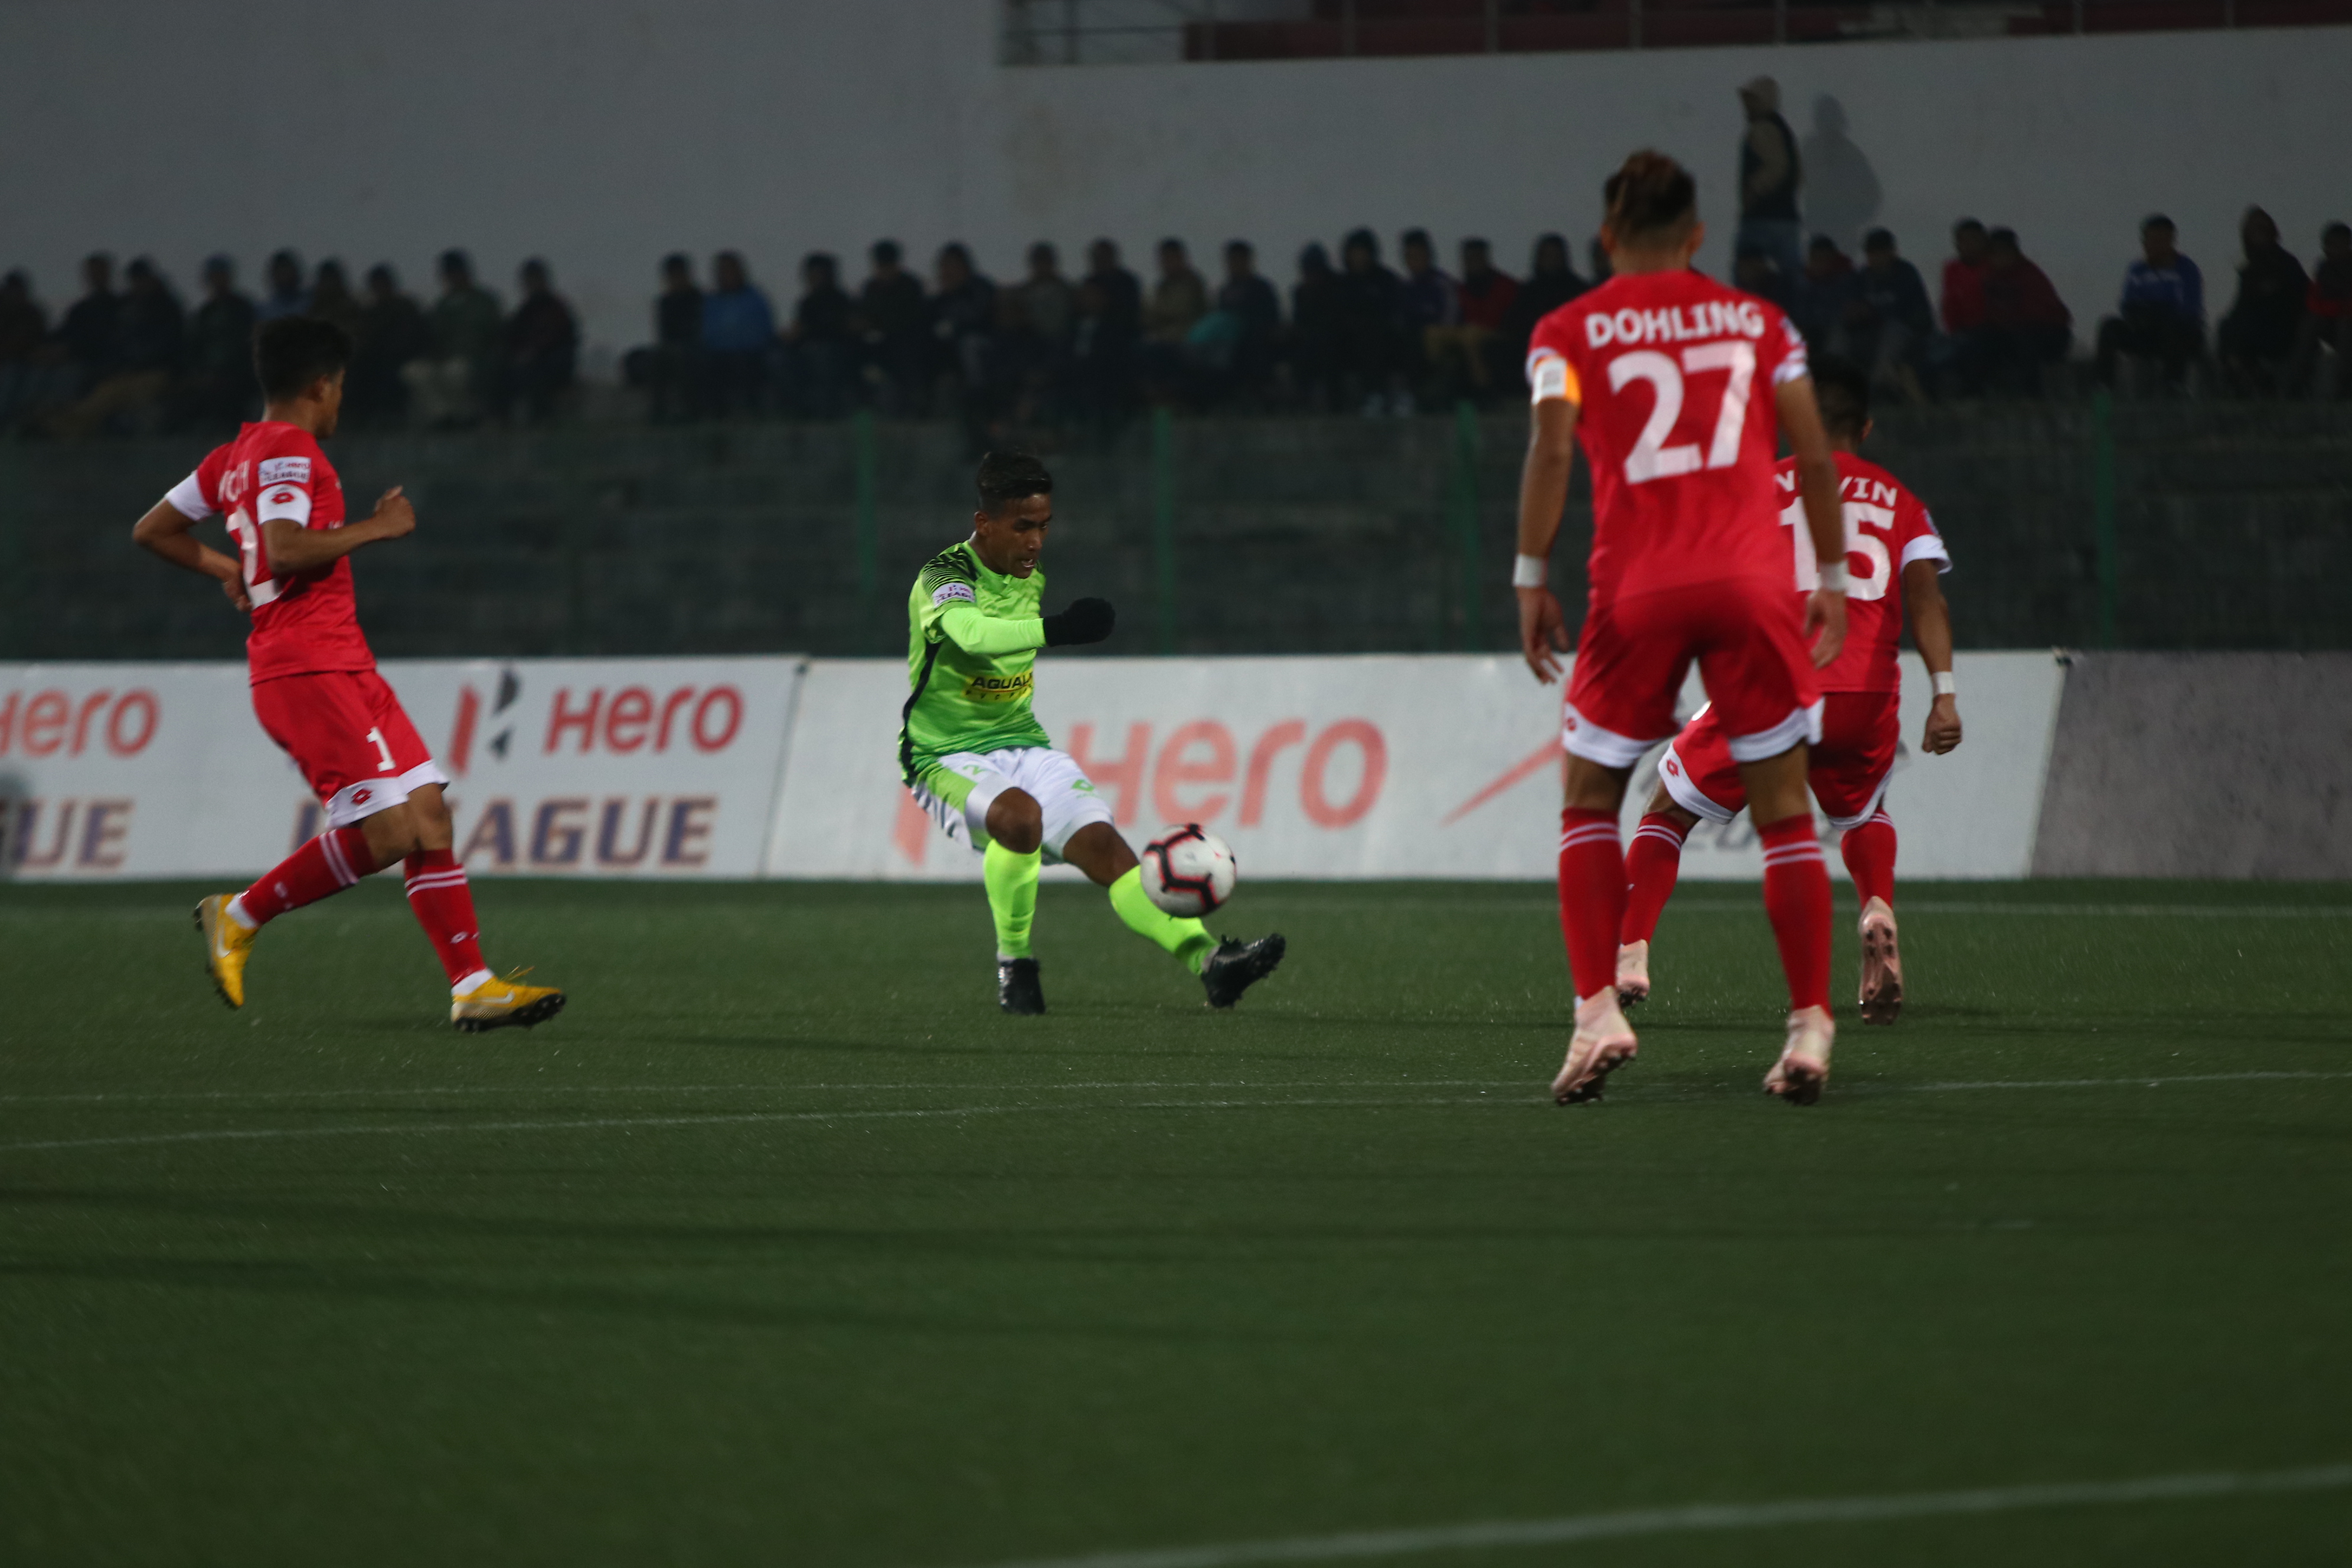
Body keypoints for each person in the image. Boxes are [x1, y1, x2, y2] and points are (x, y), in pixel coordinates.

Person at [1515, 150, 1850, 1107]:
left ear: (1605, 234)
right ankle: (1808, 1027)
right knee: (1783, 808)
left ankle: (1595, 1013)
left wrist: (1527, 576)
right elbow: (1812, 455)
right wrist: (1825, 575)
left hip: (1637, 585)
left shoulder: (1565, 331)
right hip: (1750, 581)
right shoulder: (1759, 323)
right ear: (1699, 234)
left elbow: (1547, 450)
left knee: (1589, 798)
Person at [128, 316, 563, 1031]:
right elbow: (289, 547)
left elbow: (153, 529)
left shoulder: (231, 457)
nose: (340, 404)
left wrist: (226, 569)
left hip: (340, 660)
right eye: (340, 390)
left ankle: (473, 984)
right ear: (321, 385)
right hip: (306, 665)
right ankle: (237, 915)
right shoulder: (290, 452)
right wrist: (377, 528)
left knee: (427, 816)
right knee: (387, 831)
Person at [1616, 355, 1960, 1024]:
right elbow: (1928, 601)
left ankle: (1632, 949)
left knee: (1666, 809)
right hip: (1863, 691)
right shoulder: (1902, 501)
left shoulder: (1757, 487)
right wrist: (1943, 693)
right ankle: (1877, 906)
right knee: (1864, 812)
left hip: (1774, 686)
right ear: (1864, 426)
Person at [900, 450, 1286, 1015]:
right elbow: (973, 635)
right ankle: (1016, 965)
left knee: (1108, 852)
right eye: (1023, 527)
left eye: (1044, 526)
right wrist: (1060, 629)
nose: (1036, 541)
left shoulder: (1028, 576)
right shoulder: (945, 575)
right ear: (985, 524)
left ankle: (1211, 964)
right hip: (944, 755)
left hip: (1023, 743)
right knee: (1021, 819)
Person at [48, 255, 183, 438]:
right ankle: (66, 424)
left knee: (110, 394)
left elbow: (168, 345)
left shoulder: (166, 307)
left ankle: (65, 424)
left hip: (158, 373)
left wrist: (137, 361)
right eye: (135, 279)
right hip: (127, 373)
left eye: (142, 279)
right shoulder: (127, 307)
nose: (138, 284)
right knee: (105, 390)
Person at [2096, 214, 2204, 393]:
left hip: (2177, 333)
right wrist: (2139, 316)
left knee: (2177, 330)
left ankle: (2172, 386)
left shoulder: (2186, 270)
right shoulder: (2137, 270)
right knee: (2110, 327)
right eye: (2152, 240)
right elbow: (2128, 303)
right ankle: (2103, 386)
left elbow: (2189, 309)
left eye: (2162, 240)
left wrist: (2159, 313)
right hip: (2144, 331)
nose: (2157, 245)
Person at [404, 250, 502, 428]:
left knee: (454, 372)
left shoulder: (484, 301)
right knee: (414, 372)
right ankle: (442, 417)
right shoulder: (442, 305)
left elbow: (492, 333)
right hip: (442, 359)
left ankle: (464, 416)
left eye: (456, 272)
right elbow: (431, 335)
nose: (452, 278)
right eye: (449, 274)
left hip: (472, 359)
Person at [2216, 207, 2309, 395]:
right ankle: (2247, 379)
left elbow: (2300, 300)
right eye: (2253, 231)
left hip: (2283, 328)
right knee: (2227, 330)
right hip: (2252, 329)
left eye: (2262, 230)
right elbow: (2241, 305)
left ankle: (2253, 379)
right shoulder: (2249, 269)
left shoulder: (2287, 263)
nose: (2258, 236)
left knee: (2241, 333)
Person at [1838, 228, 1933, 402]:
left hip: (1906, 334)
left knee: (1894, 330)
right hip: (1870, 334)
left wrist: (1877, 312)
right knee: (1839, 335)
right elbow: (1849, 309)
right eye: (1872, 253)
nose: (1876, 257)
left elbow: (1915, 313)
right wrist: (1855, 314)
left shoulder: (1905, 274)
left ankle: (1878, 383)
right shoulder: (1862, 278)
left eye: (1881, 252)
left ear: (1891, 252)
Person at [1974, 228, 2070, 396]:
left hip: (2048, 334)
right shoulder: (1990, 276)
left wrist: (2007, 322)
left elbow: (2039, 316)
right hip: (2012, 332)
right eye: (1993, 253)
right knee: (1982, 339)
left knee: (2026, 341)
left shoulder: (2029, 275)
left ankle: (2032, 395)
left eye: (2002, 253)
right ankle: (1981, 392)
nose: (1997, 258)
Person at [1734, 77, 1804, 287]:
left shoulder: (1762, 128)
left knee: (1750, 283)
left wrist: (1754, 190)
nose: (1746, 106)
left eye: (1751, 100)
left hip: (1762, 219)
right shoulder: (1783, 129)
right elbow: (1796, 172)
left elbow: (1777, 166)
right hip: (1786, 218)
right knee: (1791, 283)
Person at [179, 255, 262, 429]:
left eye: (221, 275)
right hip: (208, 376)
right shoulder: (205, 313)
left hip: (238, 376)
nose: (218, 280)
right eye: (214, 276)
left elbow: (248, 345)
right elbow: (194, 347)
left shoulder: (242, 309)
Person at [622, 253, 704, 422]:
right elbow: (664, 334)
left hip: (692, 350)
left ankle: (686, 410)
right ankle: (659, 410)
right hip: (671, 349)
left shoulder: (699, 299)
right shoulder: (666, 302)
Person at [1500, 234, 1586, 391]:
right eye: (1546, 256)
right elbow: (1513, 322)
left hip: (1568, 345)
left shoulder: (1577, 289)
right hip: (1531, 344)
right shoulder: (1528, 290)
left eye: (1555, 256)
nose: (1551, 260)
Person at [1335, 227, 1407, 415]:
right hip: (1348, 341)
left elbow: (1393, 311)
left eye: (1362, 252)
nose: (1358, 257)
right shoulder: (1341, 283)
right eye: (1354, 253)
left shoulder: (1386, 280)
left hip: (1383, 338)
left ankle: (1384, 396)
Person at [346, 264, 427, 427]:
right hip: (376, 359)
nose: (380, 289)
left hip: (403, 357)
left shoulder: (405, 308)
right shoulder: (371, 313)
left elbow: (415, 336)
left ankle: (390, 415)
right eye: (377, 285)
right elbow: (365, 339)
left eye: (383, 284)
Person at [1439, 237, 1517, 400]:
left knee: (1471, 336)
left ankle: (1485, 390)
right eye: (1468, 259)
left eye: (1476, 258)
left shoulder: (1505, 286)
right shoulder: (1461, 289)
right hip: (1466, 334)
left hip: (1502, 336)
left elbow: (1504, 321)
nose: (1472, 263)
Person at [701, 250, 777, 416]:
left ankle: (751, 411)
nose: (727, 275)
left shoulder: (755, 298)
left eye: (731, 270)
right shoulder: (712, 302)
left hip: (750, 353)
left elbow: (763, 329)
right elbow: (707, 331)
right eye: (723, 271)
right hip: (719, 354)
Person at [857, 240, 929, 413]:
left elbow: (912, 319)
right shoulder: (871, 288)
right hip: (878, 347)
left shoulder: (910, 286)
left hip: (907, 345)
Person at [783, 251, 856, 417]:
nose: (813, 278)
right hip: (808, 351)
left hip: (836, 353)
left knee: (822, 358)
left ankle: (827, 413)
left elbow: (842, 330)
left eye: (818, 274)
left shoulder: (841, 300)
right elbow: (800, 330)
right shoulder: (807, 303)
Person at [2291, 221, 2352, 398]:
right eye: (2332, 244)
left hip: (2346, 326)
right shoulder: (2324, 271)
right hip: (2331, 321)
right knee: (2310, 324)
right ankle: (2299, 380)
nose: (2336, 249)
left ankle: (2345, 382)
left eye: (2341, 244)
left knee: (2346, 327)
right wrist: (2336, 309)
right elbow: (2314, 302)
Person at [257, 250, 310, 322]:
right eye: (280, 271)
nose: (284, 276)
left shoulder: (310, 305)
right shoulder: (264, 311)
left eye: (286, 270)